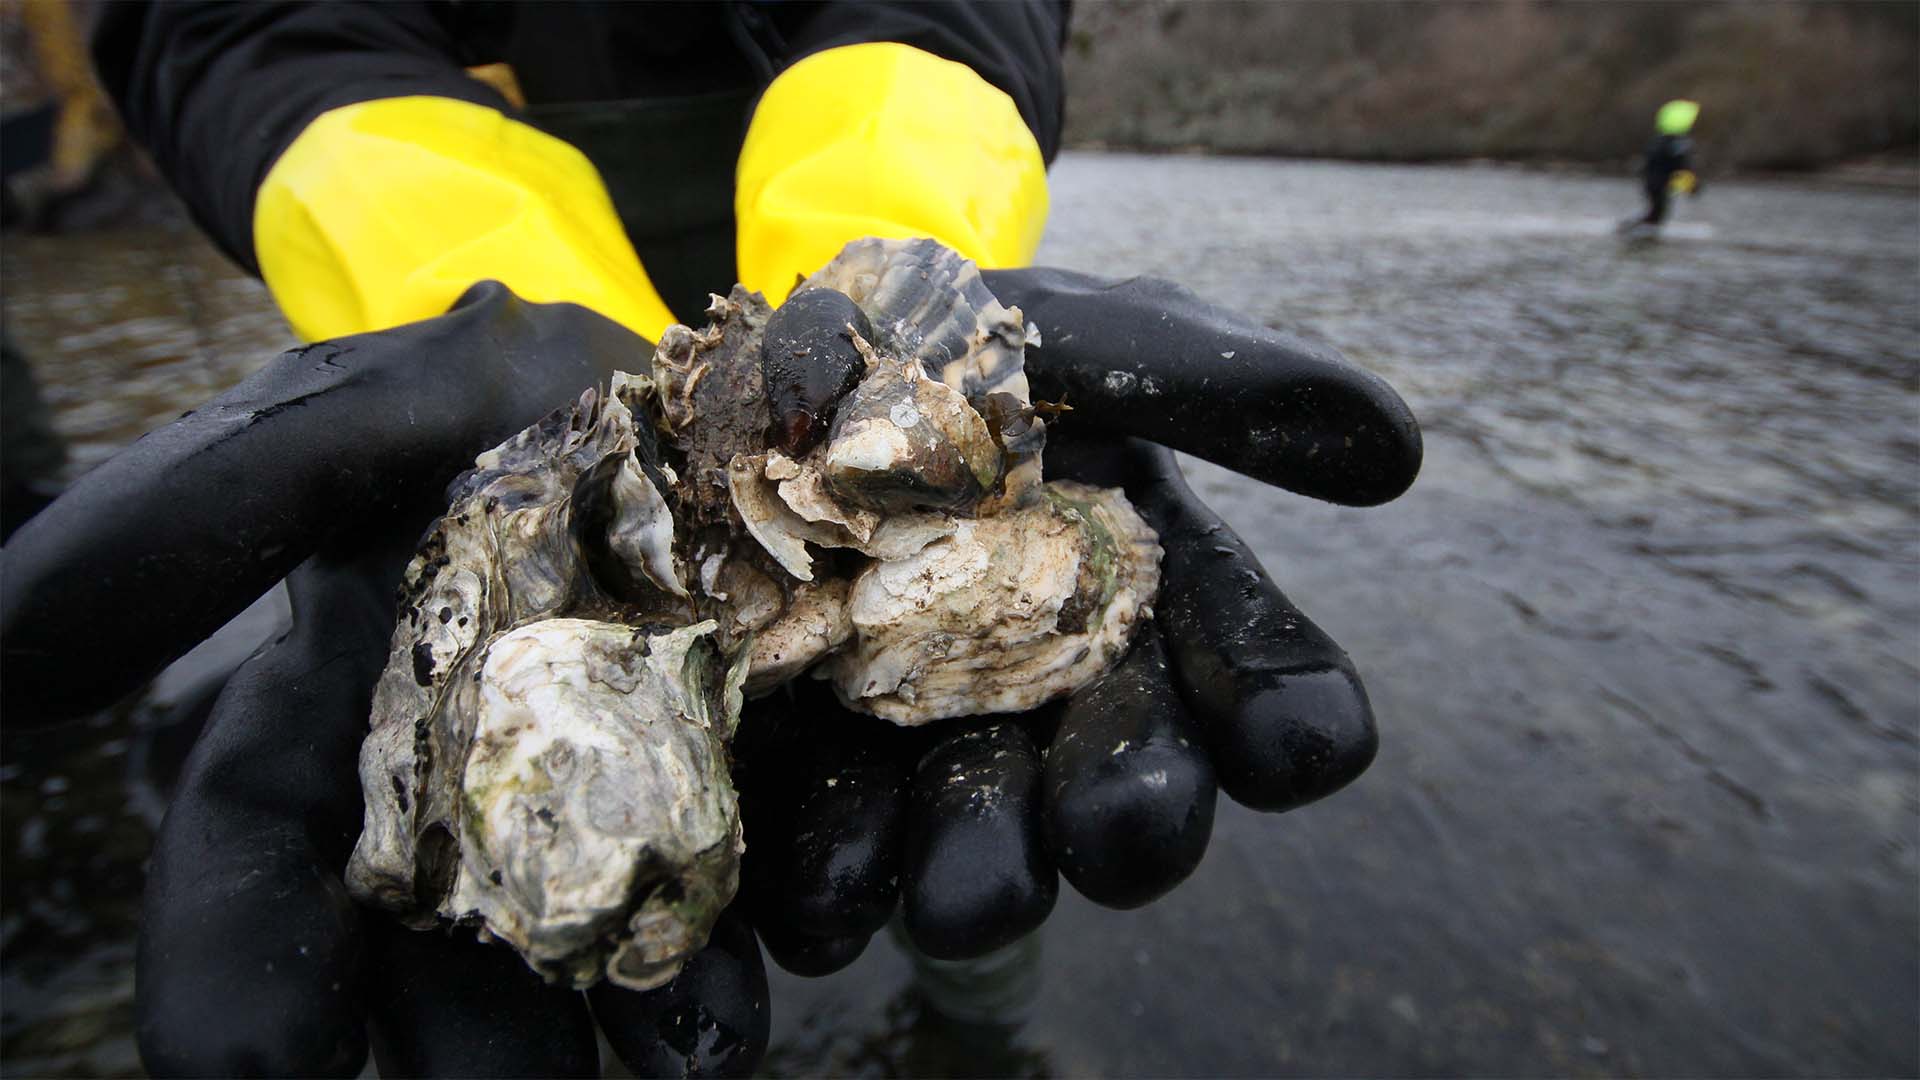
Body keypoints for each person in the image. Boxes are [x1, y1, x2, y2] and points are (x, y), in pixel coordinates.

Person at [0, 3, 1421, 1076]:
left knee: (995, 819)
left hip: (836, 146)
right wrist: (468, 310)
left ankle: (971, 1020)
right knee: (659, 943)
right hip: (463, 175)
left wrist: (887, 280)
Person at [1638, 98, 1702, 228]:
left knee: (1656, 212)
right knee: (1657, 213)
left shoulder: (1660, 140)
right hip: (1658, 182)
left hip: (1653, 181)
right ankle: (1635, 229)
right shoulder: (1677, 143)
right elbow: (1682, 166)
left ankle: (1638, 229)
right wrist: (1692, 185)